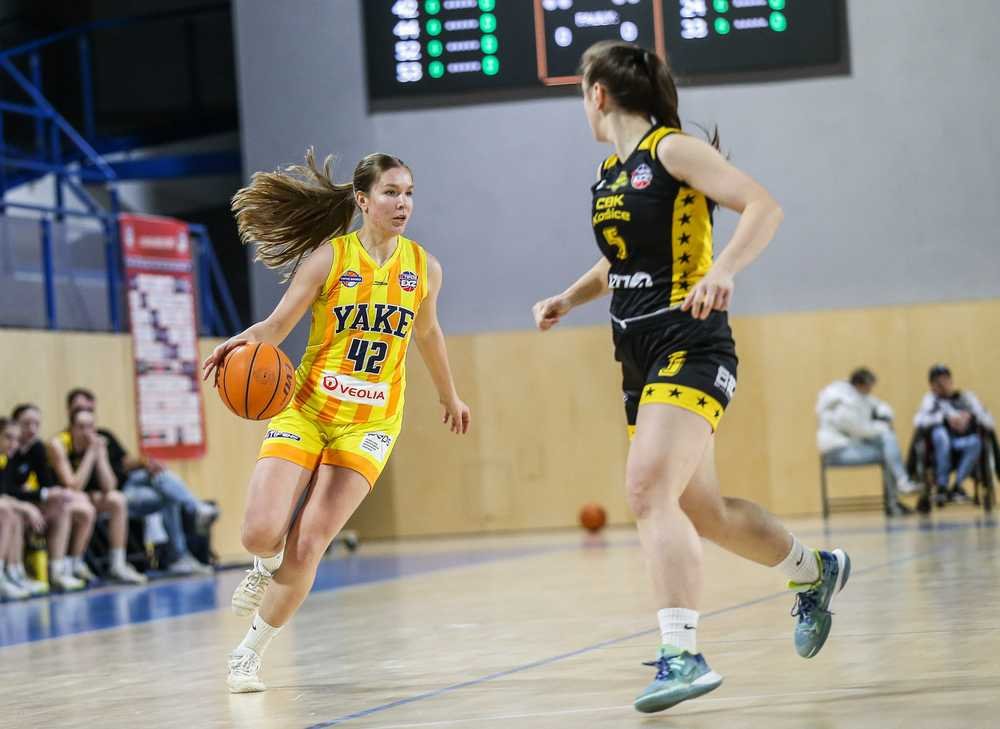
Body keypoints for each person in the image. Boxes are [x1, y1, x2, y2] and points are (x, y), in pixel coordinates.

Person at [531, 41, 850, 714]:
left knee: (647, 488)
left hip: (691, 341)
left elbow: (763, 205)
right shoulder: (610, 173)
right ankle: (813, 571)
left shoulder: (672, 150)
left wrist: (723, 268)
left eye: (582, 93)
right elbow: (619, 263)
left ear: (597, 94)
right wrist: (567, 298)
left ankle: (682, 653)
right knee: (704, 512)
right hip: (636, 352)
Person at [201, 149, 471, 693]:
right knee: (259, 533)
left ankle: (247, 655)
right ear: (363, 200)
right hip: (307, 409)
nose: (403, 203)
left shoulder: (424, 268)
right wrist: (239, 343)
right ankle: (262, 565)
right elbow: (277, 325)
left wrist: (450, 395)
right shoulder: (329, 258)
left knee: (310, 543)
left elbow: (427, 333)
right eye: (391, 192)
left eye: (409, 193)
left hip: (370, 423)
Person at [64, 388, 217, 574]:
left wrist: (147, 463)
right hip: (112, 495)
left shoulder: (104, 436)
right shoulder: (63, 444)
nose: (87, 429)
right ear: (70, 414)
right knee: (166, 497)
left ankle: (196, 508)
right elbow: (104, 486)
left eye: (90, 412)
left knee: (161, 475)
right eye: (80, 410)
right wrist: (94, 454)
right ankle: (179, 554)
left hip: (129, 483)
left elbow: (126, 461)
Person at [47, 407, 147, 584]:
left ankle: (117, 564)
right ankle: (72, 564)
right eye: (81, 427)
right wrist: (90, 455)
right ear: (71, 428)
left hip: (85, 497)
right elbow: (73, 486)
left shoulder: (98, 444)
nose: (87, 432)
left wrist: (100, 457)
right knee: (85, 508)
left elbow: (110, 486)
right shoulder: (59, 444)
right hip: (60, 500)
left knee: (117, 500)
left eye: (90, 427)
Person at [8, 404, 95, 591]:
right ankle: (14, 573)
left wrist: (52, 494)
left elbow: (46, 485)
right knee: (12, 515)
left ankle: (58, 570)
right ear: (15, 424)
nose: (32, 429)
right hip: (14, 506)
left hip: (26, 502)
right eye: (26, 423)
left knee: (62, 506)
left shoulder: (37, 447)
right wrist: (33, 499)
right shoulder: (7, 450)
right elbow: (8, 490)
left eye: (36, 424)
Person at [816, 367, 920, 514]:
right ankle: (895, 498)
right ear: (860, 385)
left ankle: (900, 488)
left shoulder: (849, 392)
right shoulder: (845, 404)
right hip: (837, 451)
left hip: (848, 444)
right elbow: (860, 430)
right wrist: (883, 426)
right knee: (887, 452)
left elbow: (877, 404)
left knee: (887, 442)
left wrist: (884, 414)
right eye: (869, 387)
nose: (870, 390)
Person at [914, 364, 995, 504]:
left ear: (951, 381)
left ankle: (957, 486)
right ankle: (942, 486)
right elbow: (919, 421)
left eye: (945, 380)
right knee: (940, 434)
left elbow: (989, 422)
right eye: (937, 382)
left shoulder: (967, 398)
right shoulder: (930, 400)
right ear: (932, 386)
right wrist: (945, 419)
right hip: (940, 446)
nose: (942, 385)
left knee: (976, 442)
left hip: (962, 442)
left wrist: (970, 417)